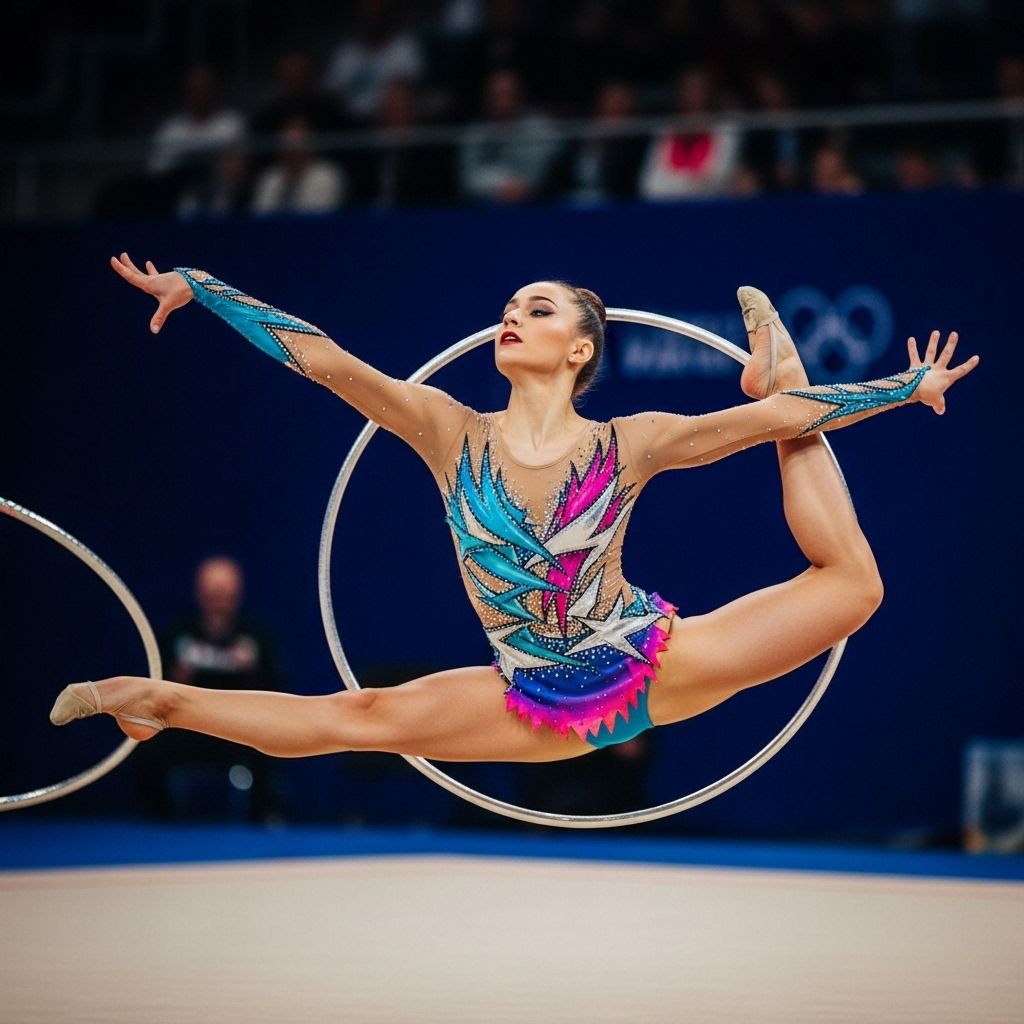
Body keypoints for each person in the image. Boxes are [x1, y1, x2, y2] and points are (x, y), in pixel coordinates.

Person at [51, 254, 978, 770]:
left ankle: (776, 359)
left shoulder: (630, 440)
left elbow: (778, 423)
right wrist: (203, 289)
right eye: (507, 308)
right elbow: (326, 360)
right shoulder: (449, 431)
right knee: (361, 715)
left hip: (650, 659)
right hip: (530, 699)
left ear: (579, 349)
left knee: (855, 582)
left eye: (536, 312)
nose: (513, 318)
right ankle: (158, 702)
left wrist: (909, 386)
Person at [135, 556, 283, 821]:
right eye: (213, 593)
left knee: (278, 743)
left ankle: (262, 819)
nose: (219, 600)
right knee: (146, 744)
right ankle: (157, 822)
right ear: (200, 593)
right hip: (187, 729)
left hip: (238, 731)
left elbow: (277, 690)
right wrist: (178, 676)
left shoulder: (256, 638)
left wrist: (250, 671)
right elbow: (151, 690)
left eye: (225, 593)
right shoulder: (178, 635)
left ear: (237, 594)